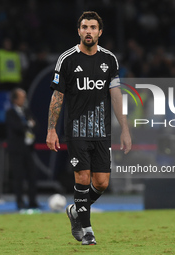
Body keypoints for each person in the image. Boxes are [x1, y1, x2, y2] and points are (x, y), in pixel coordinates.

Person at [46, 11, 131, 245]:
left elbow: (115, 95)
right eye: (84, 27)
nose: (88, 31)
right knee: (82, 178)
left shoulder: (110, 60)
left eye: (93, 27)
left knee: (102, 182)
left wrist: (124, 128)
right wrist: (51, 129)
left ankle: (75, 211)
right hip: (76, 131)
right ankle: (88, 231)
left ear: (100, 32)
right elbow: (57, 96)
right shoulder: (67, 59)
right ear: (79, 31)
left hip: (102, 132)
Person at [6, 88, 39, 210]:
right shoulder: (10, 113)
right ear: (15, 99)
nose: (24, 100)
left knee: (32, 175)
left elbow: (36, 125)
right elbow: (17, 127)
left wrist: (29, 126)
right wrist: (28, 125)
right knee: (18, 176)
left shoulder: (26, 111)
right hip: (16, 150)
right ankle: (19, 202)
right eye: (22, 97)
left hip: (28, 149)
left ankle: (32, 201)